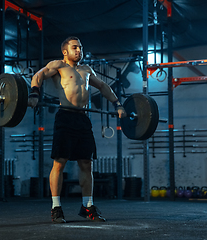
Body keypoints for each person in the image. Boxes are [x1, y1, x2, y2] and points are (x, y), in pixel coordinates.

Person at [28, 36, 126, 223]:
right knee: (60, 162)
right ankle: (56, 208)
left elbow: (104, 86)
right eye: (75, 48)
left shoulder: (87, 69)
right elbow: (38, 76)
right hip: (65, 117)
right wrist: (34, 93)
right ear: (65, 51)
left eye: (80, 47)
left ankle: (87, 206)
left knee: (86, 163)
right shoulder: (58, 66)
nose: (79, 50)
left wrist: (118, 104)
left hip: (83, 119)